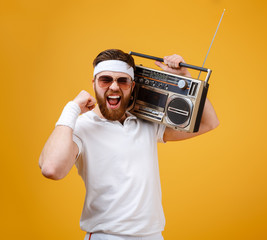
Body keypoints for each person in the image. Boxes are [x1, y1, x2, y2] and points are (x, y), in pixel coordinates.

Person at [39, 49, 219, 240]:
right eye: (105, 80)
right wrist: (72, 108)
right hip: (106, 236)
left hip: (152, 236)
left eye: (122, 81)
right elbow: (52, 169)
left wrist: (186, 79)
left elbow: (209, 123)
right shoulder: (81, 126)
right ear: (94, 84)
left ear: (132, 86)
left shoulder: (147, 122)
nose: (114, 87)